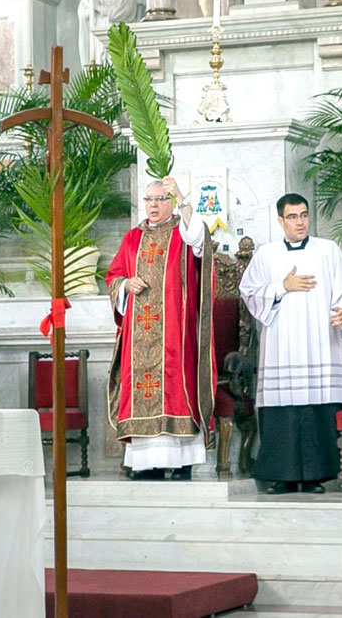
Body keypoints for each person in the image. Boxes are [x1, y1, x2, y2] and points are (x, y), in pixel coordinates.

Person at [239, 193, 342, 494]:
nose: (300, 222)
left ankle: (315, 476)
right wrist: (283, 286)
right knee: (284, 409)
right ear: (280, 220)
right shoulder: (267, 255)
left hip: (320, 341)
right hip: (281, 345)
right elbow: (249, 292)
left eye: (304, 215)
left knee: (317, 408)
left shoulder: (328, 250)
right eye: (293, 217)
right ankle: (280, 476)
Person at [106, 177, 215, 480]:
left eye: (159, 199)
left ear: (170, 203)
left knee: (177, 387)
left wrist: (181, 195)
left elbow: (200, 239)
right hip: (138, 335)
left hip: (175, 332)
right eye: (149, 199)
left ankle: (182, 463)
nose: (153, 205)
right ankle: (145, 464)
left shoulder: (182, 233)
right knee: (139, 389)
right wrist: (126, 284)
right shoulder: (131, 238)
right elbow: (114, 275)